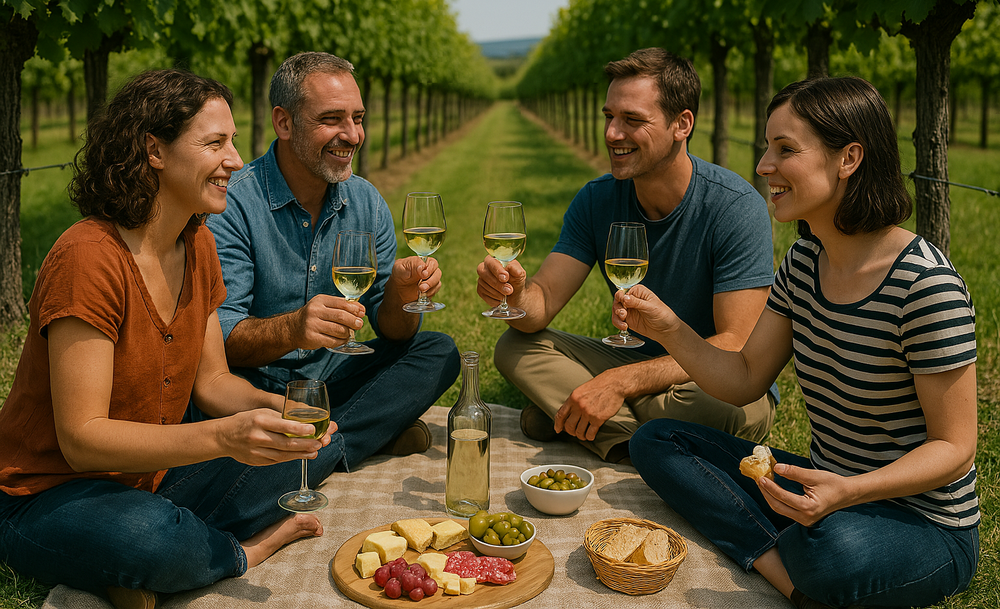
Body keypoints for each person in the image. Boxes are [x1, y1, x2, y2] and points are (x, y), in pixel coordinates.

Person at [621, 76, 979, 608]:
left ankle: (793, 562)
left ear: (848, 158)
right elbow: (743, 380)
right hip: (822, 489)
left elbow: (955, 448)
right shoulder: (805, 263)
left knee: (829, 554)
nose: (764, 165)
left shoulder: (925, 285)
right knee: (656, 442)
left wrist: (848, 493)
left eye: (785, 149)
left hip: (921, 522)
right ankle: (790, 574)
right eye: (768, 147)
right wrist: (670, 328)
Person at [0, 69, 343, 609]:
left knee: (315, 448)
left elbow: (211, 383)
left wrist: (281, 409)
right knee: (149, 538)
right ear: (154, 151)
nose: (235, 160)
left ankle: (153, 561)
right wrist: (226, 439)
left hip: (154, 477)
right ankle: (235, 552)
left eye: (233, 141)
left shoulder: (197, 243)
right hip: (52, 492)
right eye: (215, 143)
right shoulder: (89, 258)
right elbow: (82, 439)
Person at [476, 47, 777, 463]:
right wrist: (515, 295)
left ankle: (584, 420)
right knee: (514, 347)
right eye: (609, 117)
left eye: (632, 120)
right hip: (635, 357)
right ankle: (632, 438)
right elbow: (540, 306)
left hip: (712, 380)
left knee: (725, 407)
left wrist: (619, 382)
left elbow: (734, 345)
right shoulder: (596, 199)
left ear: (681, 124)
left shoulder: (735, 207)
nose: (613, 133)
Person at [206, 52, 459, 469]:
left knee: (439, 351)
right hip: (254, 390)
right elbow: (223, 340)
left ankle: (320, 443)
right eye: (332, 119)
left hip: (337, 377)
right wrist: (294, 327)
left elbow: (392, 330)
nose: (353, 135)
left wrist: (400, 290)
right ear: (283, 122)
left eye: (358, 118)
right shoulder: (233, 205)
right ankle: (358, 435)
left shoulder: (367, 202)